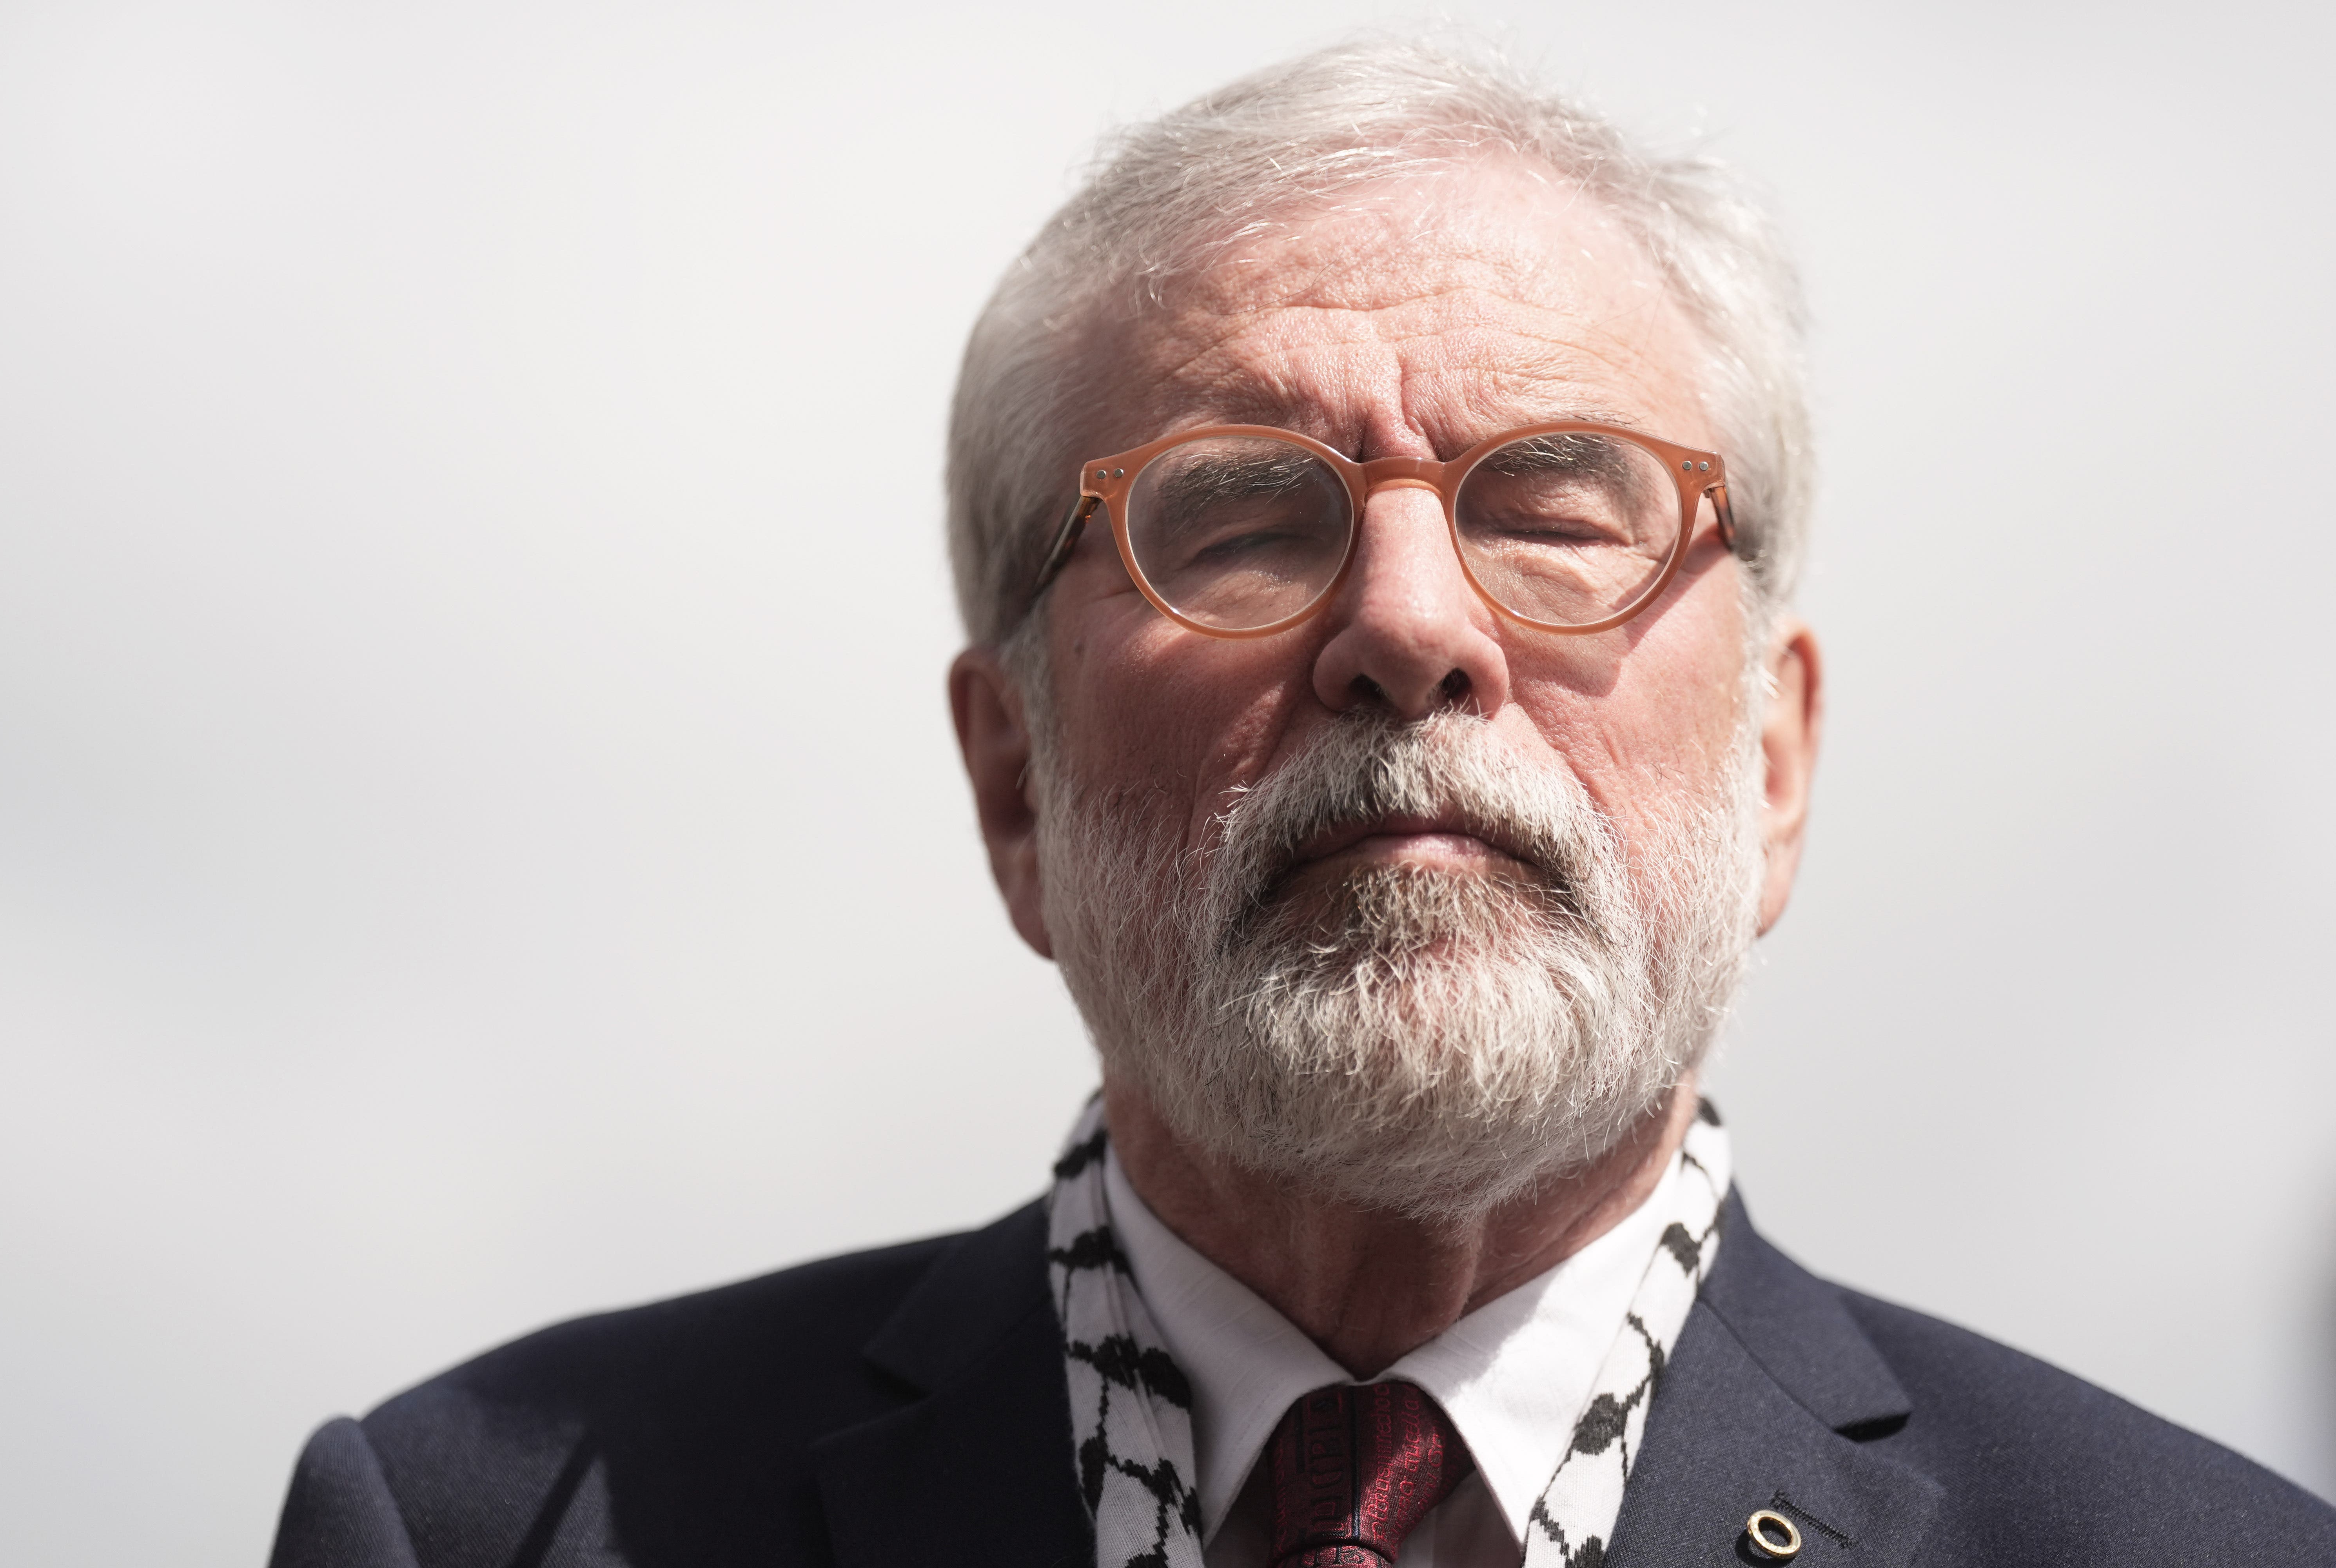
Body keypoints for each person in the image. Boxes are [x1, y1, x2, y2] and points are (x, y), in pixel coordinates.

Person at [267, 38, 2336, 1568]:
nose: (1410, 626)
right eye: (1244, 520)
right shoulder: (489, 1530)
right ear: (1014, 787)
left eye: (1554, 507)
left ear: (1776, 763)